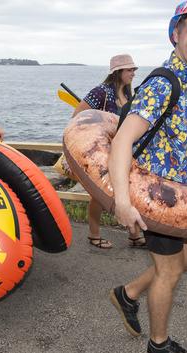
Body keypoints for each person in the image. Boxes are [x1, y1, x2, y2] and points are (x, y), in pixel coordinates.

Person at [108, 1, 187, 353]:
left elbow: (184, 136)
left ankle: (128, 294)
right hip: (158, 196)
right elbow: (122, 141)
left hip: (182, 195)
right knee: (170, 269)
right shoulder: (164, 82)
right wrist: (123, 202)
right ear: (176, 34)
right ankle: (159, 345)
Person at [71, 54, 146, 249]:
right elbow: (77, 117)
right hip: (101, 151)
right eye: (130, 70)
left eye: (134, 69)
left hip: (122, 150)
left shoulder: (129, 95)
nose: (133, 73)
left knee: (127, 191)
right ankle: (93, 234)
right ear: (118, 72)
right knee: (99, 195)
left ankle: (134, 234)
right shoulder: (100, 92)